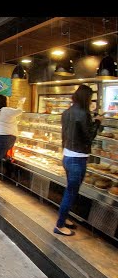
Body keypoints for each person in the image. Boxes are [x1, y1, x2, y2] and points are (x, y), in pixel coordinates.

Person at [54, 85, 103, 236]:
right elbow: (89, 138)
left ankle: (65, 218)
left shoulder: (67, 112)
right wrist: (98, 122)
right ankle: (59, 226)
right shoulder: (84, 114)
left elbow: (66, 135)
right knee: (71, 192)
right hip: (78, 159)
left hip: (67, 156)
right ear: (86, 98)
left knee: (70, 191)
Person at [0, 95, 25, 182]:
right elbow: (19, 111)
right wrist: (21, 102)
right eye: (8, 99)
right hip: (2, 138)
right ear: (5, 101)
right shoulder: (6, 110)